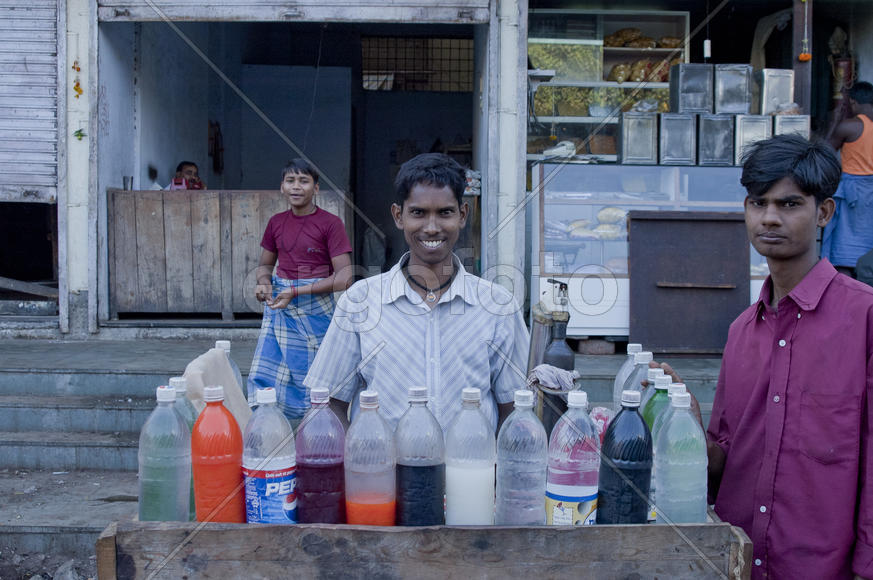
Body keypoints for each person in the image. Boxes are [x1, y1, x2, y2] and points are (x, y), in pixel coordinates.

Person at [654, 135, 873, 580]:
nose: (770, 217)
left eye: (789, 204)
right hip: (738, 564)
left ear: (824, 214)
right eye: (758, 203)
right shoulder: (742, 332)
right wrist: (689, 425)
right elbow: (727, 464)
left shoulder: (864, 317)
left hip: (823, 568)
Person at [303, 153, 529, 432]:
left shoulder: (498, 306)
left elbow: (516, 410)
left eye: (445, 212)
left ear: (463, 215)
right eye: (418, 213)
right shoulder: (360, 302)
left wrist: (488, 467)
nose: (431, 227)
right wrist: (364, 462)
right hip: (382, 474)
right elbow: (329, 405)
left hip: (470, 473)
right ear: (399, 216)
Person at [248, 158, 353, 427]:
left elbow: (344, 277)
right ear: (282, 187)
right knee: (268, 374)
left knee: (318, 377)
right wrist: (263, 283)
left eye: (304, 181)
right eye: (290, 181)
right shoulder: (276, 223)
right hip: (280, 310)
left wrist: (296, 291)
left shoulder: (330, 224)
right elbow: (265, 266)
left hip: (315, 311)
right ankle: (272, 432)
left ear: (316, 188)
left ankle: (319, 435)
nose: (297, 187)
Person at [822, 81, 873, 277]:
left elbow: (824, 152)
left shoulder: (851, 126)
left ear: (852, 102)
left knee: (844, 251)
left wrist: (835, 120)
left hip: (854, 194)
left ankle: (848, 297)